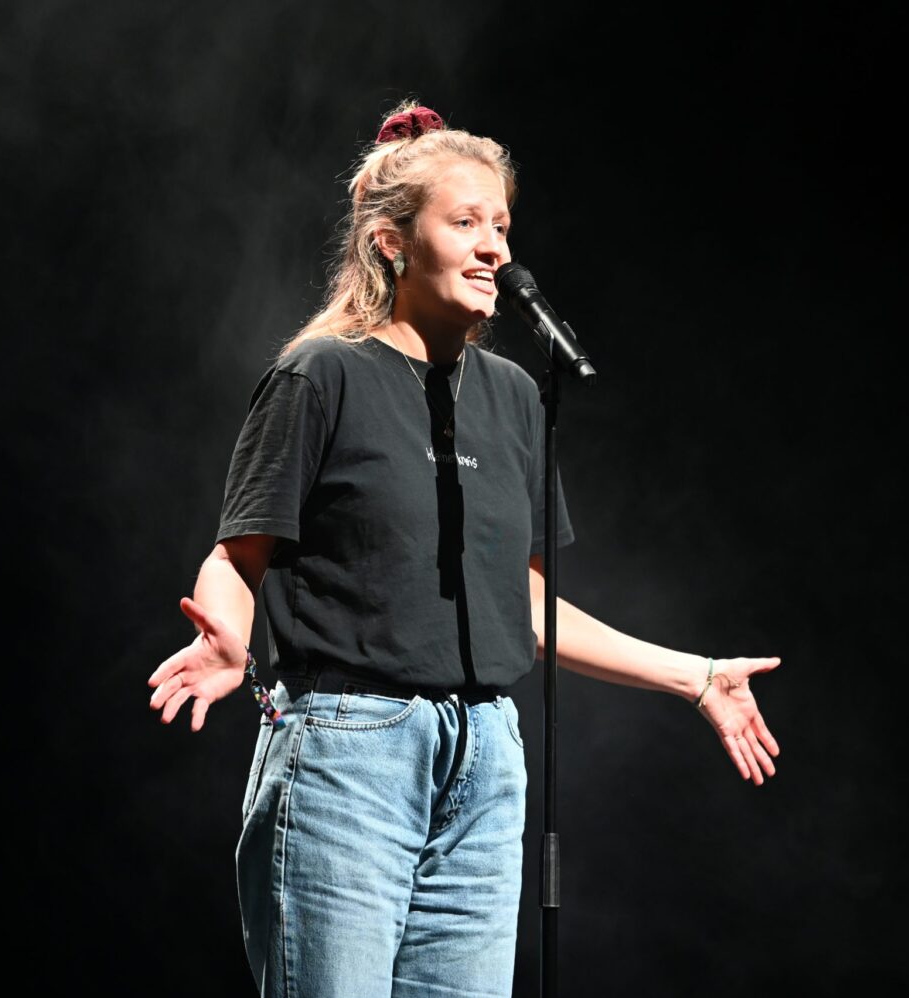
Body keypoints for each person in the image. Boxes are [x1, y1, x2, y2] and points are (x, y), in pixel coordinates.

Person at [146, 100, 782, 997]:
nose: (494, 251)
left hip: (485, 758)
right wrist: (228, 639)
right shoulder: (321, 374)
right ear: (391, 244)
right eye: (466, 224)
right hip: (350, 750)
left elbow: (522, 607)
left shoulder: (515, 396)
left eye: (502, 227)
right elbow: (236, 557)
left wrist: (696, 676)